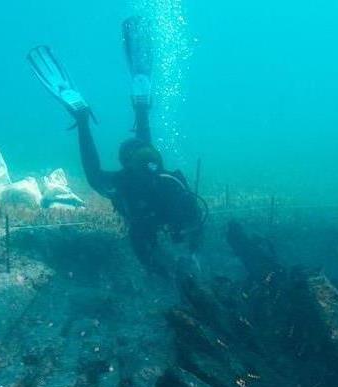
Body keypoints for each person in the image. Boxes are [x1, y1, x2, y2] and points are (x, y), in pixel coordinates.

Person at [28, 17, 205, 277]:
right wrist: (170, 266)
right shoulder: (174, 201)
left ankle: (134, 109)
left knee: (131, 166)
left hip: (147, 164)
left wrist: (173, 261)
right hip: (146, 170)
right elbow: (150, 248)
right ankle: (85, 118)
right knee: (103, 176)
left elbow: (148, 245)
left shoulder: (166, 201)